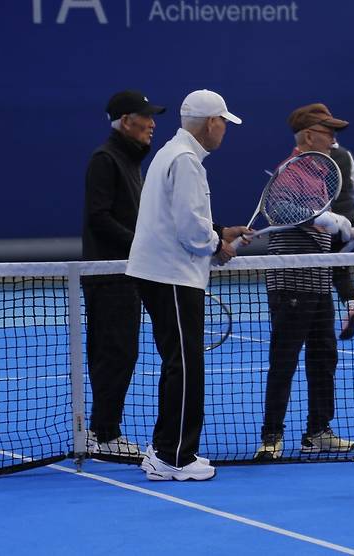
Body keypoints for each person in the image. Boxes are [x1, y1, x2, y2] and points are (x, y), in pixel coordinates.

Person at [126, 89, 249, 481]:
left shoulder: (170, 153)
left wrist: (218, 231)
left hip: (162, 275)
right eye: (223, 123)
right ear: (212, 123)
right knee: (186, 366)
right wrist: (218, 245)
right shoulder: (186, 161)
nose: (225, 131)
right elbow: (189, 228)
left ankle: (164, 448)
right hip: (174, 277)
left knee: (178, 364)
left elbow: (182, 217)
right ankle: (174, 456)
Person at [254, 103, 354, 461]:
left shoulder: (321, 173)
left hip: (318, 281)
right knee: (284, 360)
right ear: (309, 135)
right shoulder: (291, 169)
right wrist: (322, 219)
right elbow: (280, 210)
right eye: (327, 132)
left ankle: (317, 431)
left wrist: (343, 229)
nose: (333, 139)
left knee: (323, 358)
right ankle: (271, 436)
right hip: (290, 283)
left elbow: (322, 223)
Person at [82, 90, 166, 458]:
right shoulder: (105, 159)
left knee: (123, 352)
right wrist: (140, 247)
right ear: (125, 122)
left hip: (128, 272)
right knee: (114, 352)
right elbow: (98, 218)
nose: (152, 124)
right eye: (145, 118)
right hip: (109, 275)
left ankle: (103, 429)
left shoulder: (131, 162)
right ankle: (104, 433)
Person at [329, 143, 354, 340]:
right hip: (349, 220)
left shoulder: (309, 157)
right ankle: (352, 307)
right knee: (340, 270)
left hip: (324, 226)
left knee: (317, 272)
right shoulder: (346, 154)